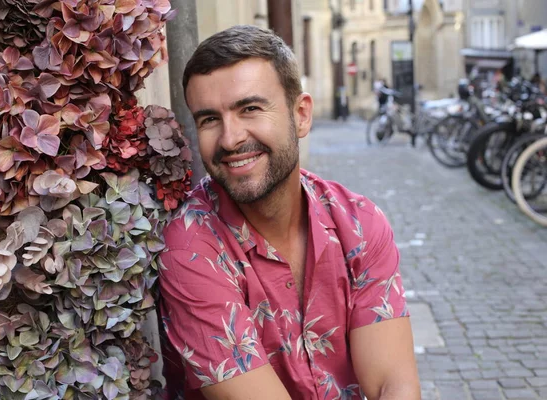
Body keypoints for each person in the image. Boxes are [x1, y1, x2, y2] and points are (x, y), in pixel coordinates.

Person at [158, 25, 420, 400]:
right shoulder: (191, 250)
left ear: (301, 115)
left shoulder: (359, 222)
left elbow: (391, 384)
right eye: (209, 119)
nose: (230, 139)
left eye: (249, 109)